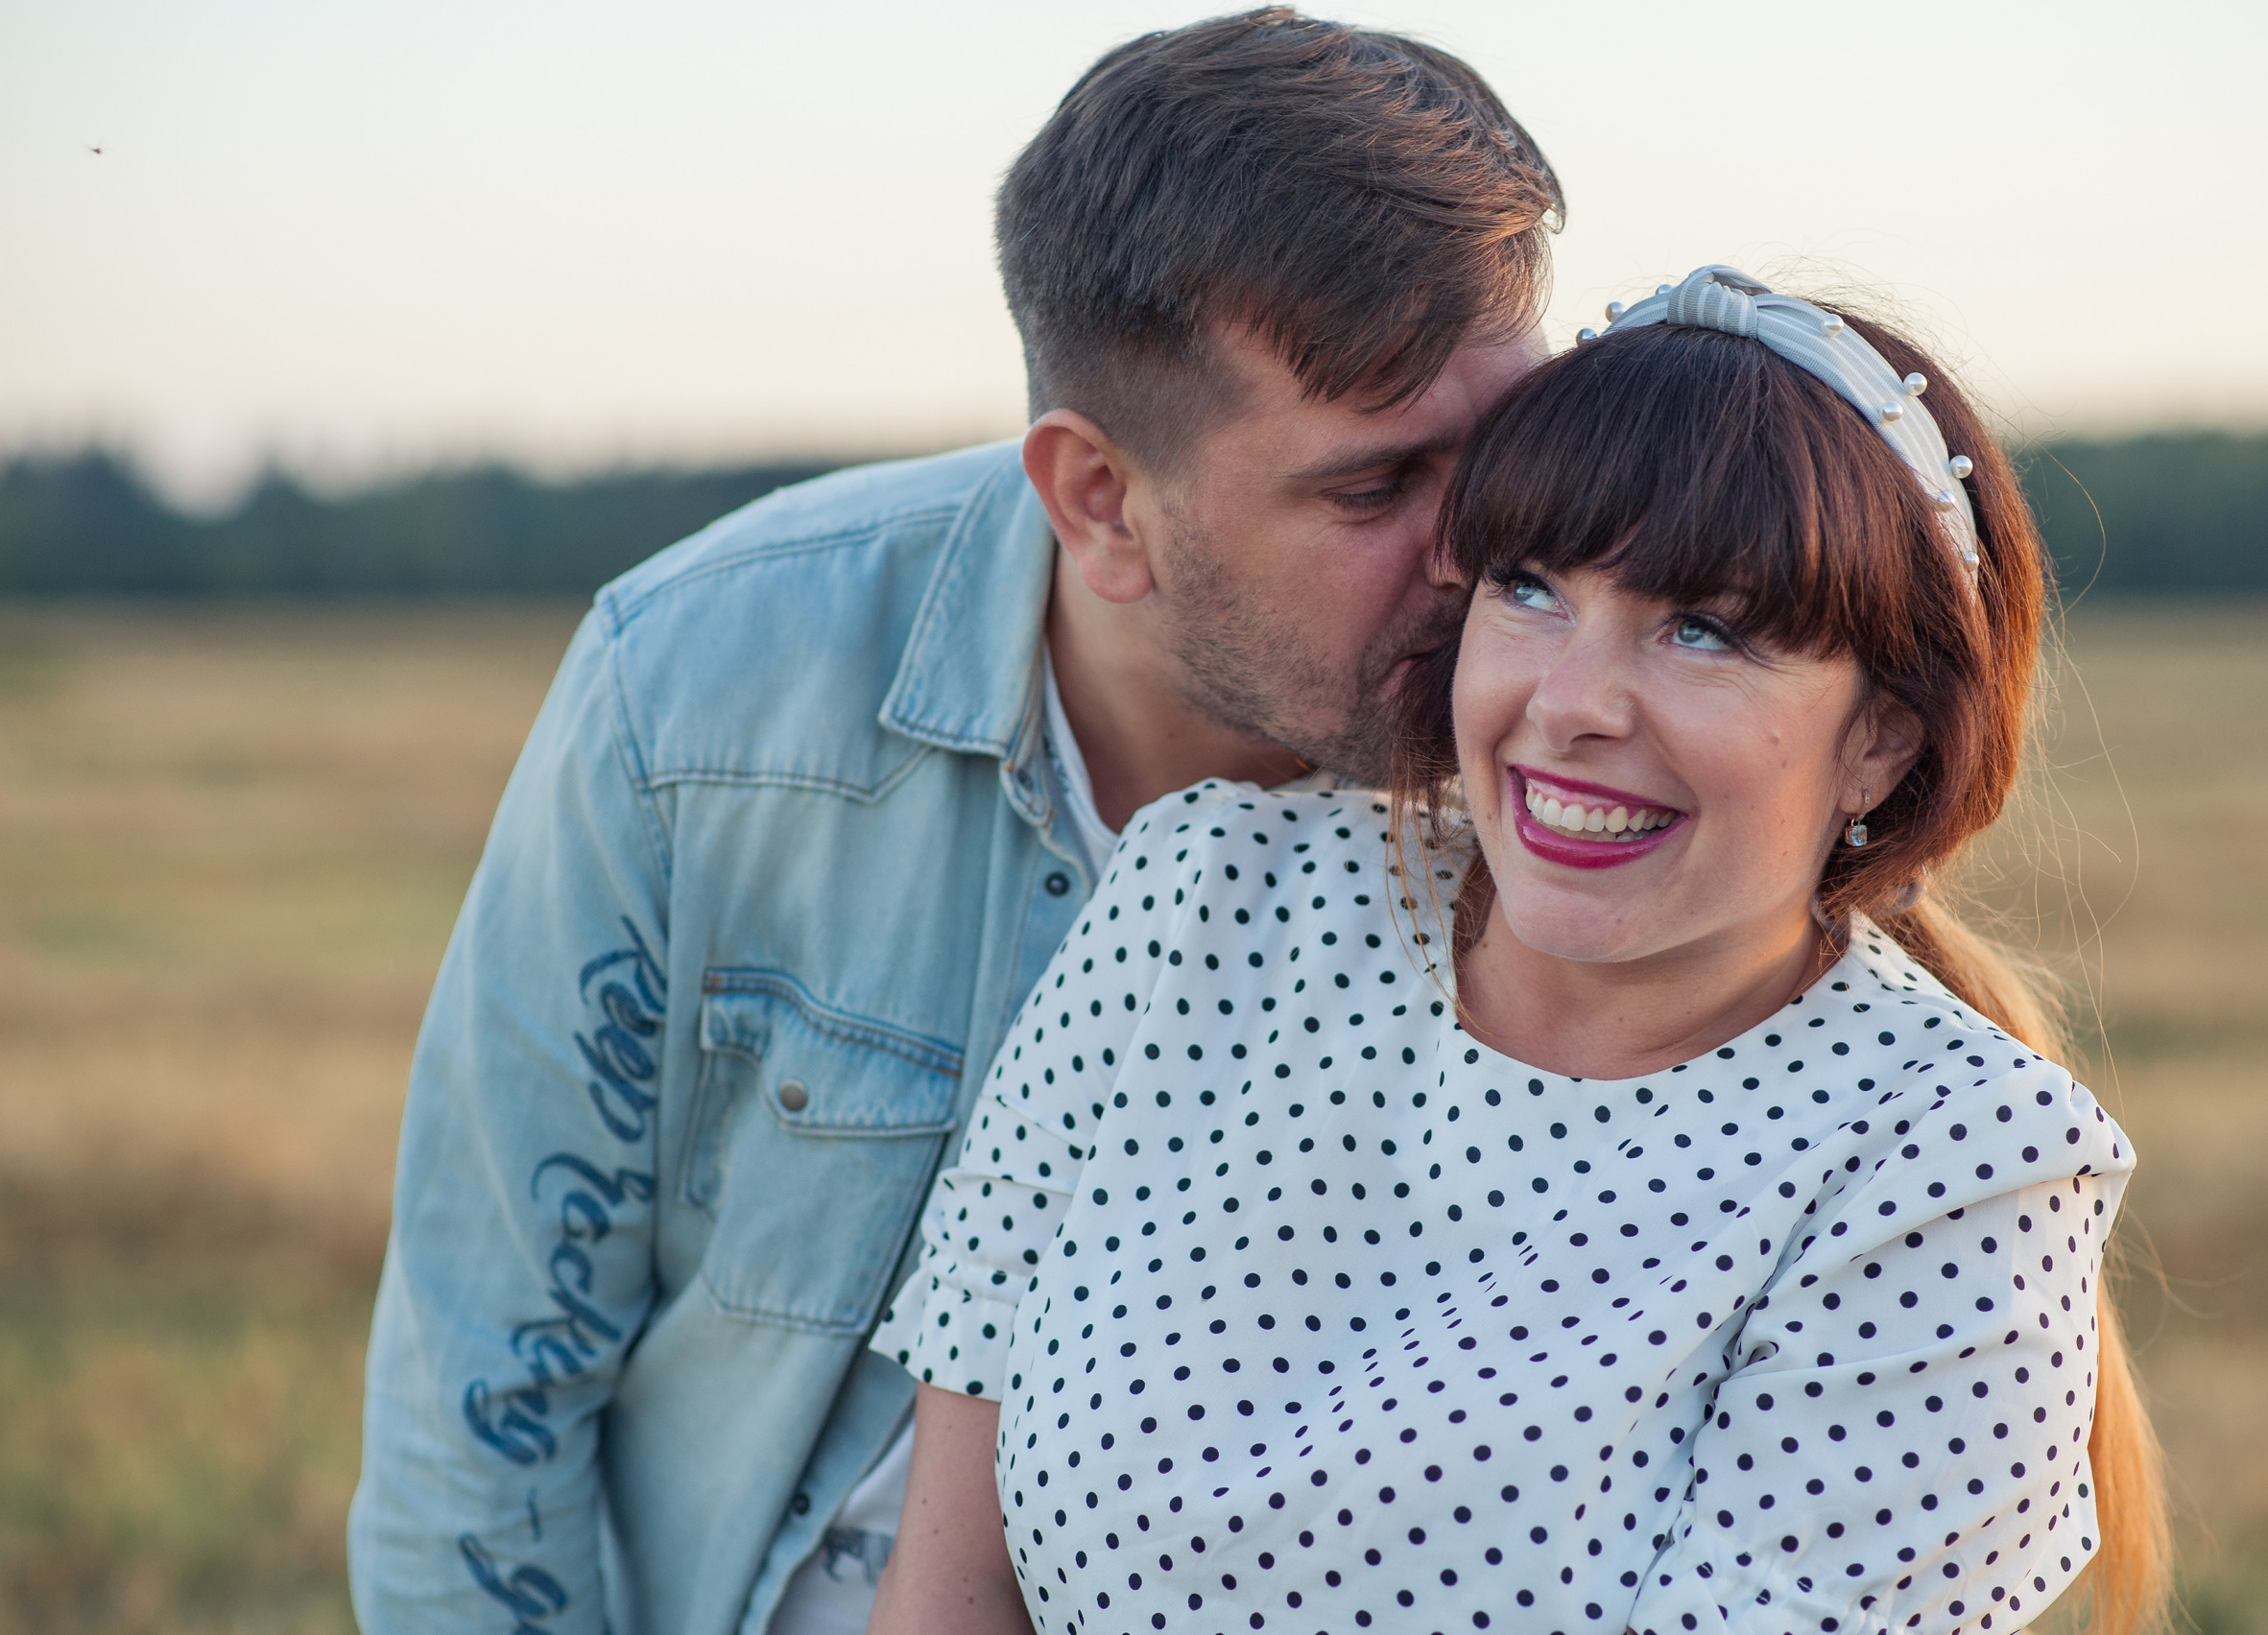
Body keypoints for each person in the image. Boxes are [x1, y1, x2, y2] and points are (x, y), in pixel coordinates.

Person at [345, 12, 1559, 1634]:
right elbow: (487, 1390)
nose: (1486, 554)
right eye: (1374, 487)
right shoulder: (698, 684)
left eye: (1513, 447)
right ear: (1101, 500)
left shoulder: (1588, 763)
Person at [867, 268, 2171, 1635]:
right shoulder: (1203, 897)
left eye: (1703, 629)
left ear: (1882, 742)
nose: (1571, 703)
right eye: (1532, 588)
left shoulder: (1958, 1167)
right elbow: (950, 1584)